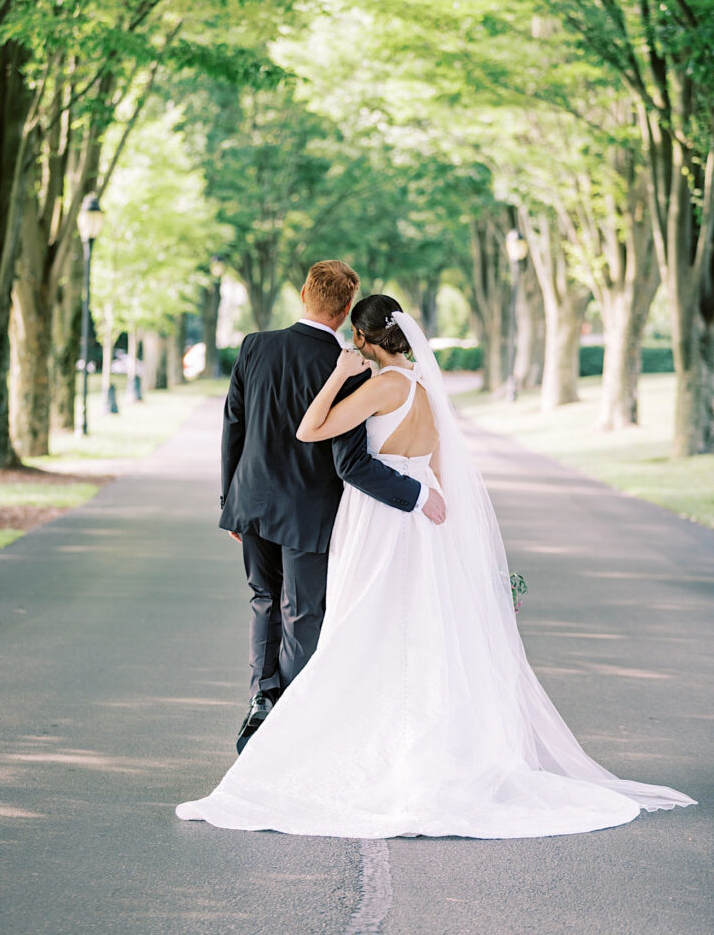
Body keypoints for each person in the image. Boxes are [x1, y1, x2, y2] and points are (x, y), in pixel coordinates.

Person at [178, 295, 695, 837]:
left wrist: (337, 377)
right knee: (422, 627)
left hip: (379, 518)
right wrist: (434, 509)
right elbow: (441, 472)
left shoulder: (380, 386)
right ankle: (424, 744)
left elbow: (311, 430)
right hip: (425, 513)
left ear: (363, 339)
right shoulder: (425, 388)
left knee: (363, 626)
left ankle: (359, 743)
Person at [217, 260, 446, 753]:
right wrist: (422, 495)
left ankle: (262, 698)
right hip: (311, 511)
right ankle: (293, 721)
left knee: (262, 599)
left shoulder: (255, 345)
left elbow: (233, 422)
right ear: (346, 312)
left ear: (303, 294)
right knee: (303, 612)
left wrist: (230, 498)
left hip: (251, 501)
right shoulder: (352, 368)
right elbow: (349, 458)